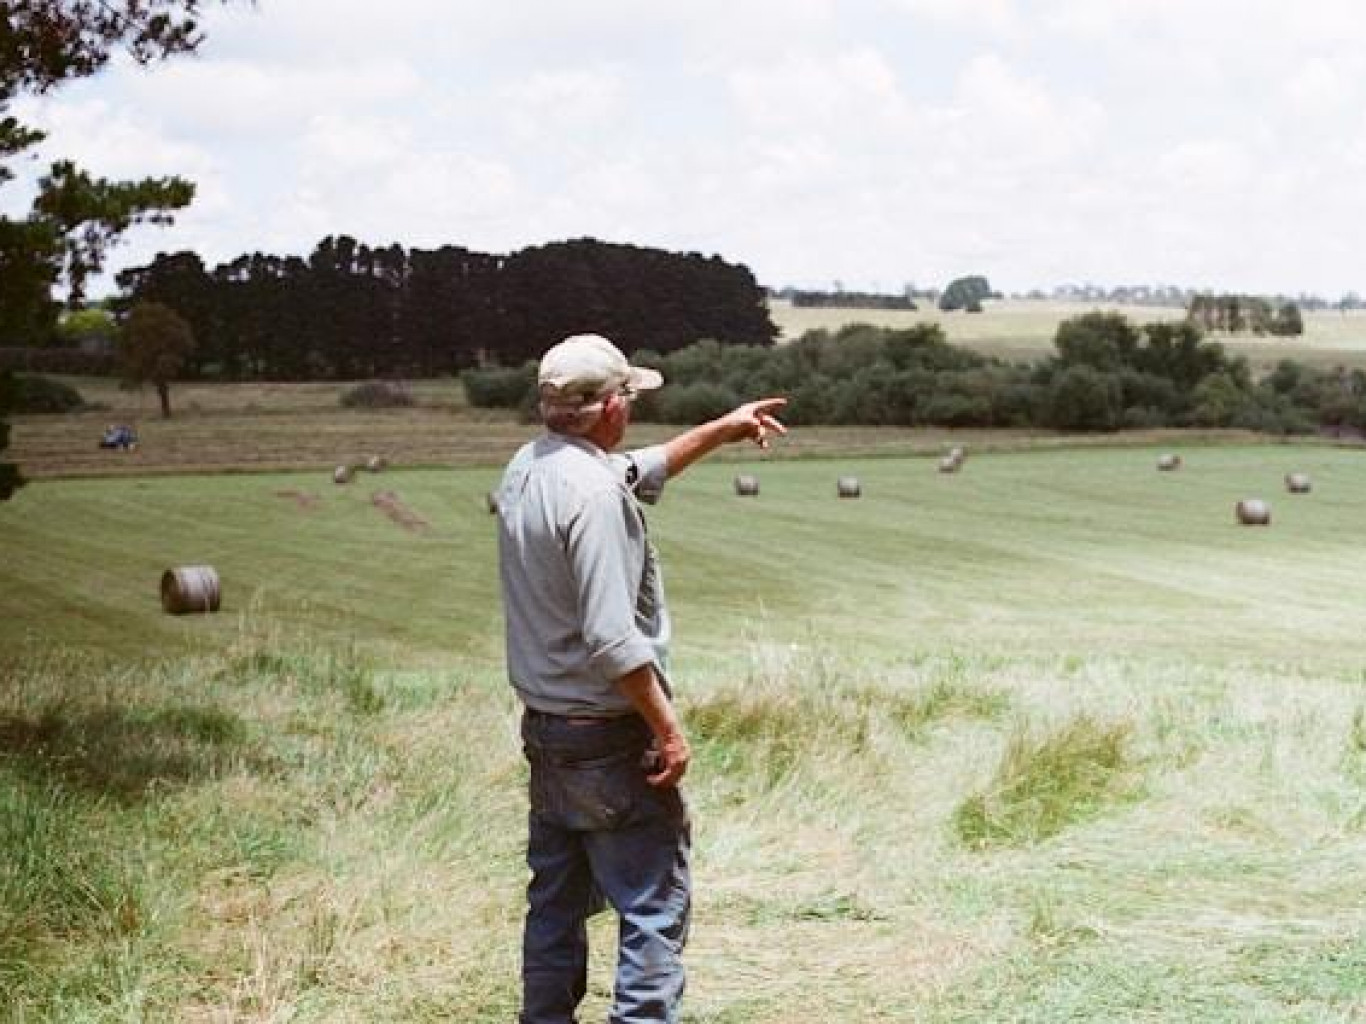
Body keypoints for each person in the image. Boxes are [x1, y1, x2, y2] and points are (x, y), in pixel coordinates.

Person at [495, 333, 786, 1024]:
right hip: (607, 735)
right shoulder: (594, 496)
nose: (632, 406)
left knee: (555, 905)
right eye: (627, 394)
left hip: (547, 729)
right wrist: (667, 727)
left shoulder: (530, 467)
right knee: (652, 908)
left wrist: (723, 429)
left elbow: (638, 469)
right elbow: (613, 638)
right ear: (606, 408)